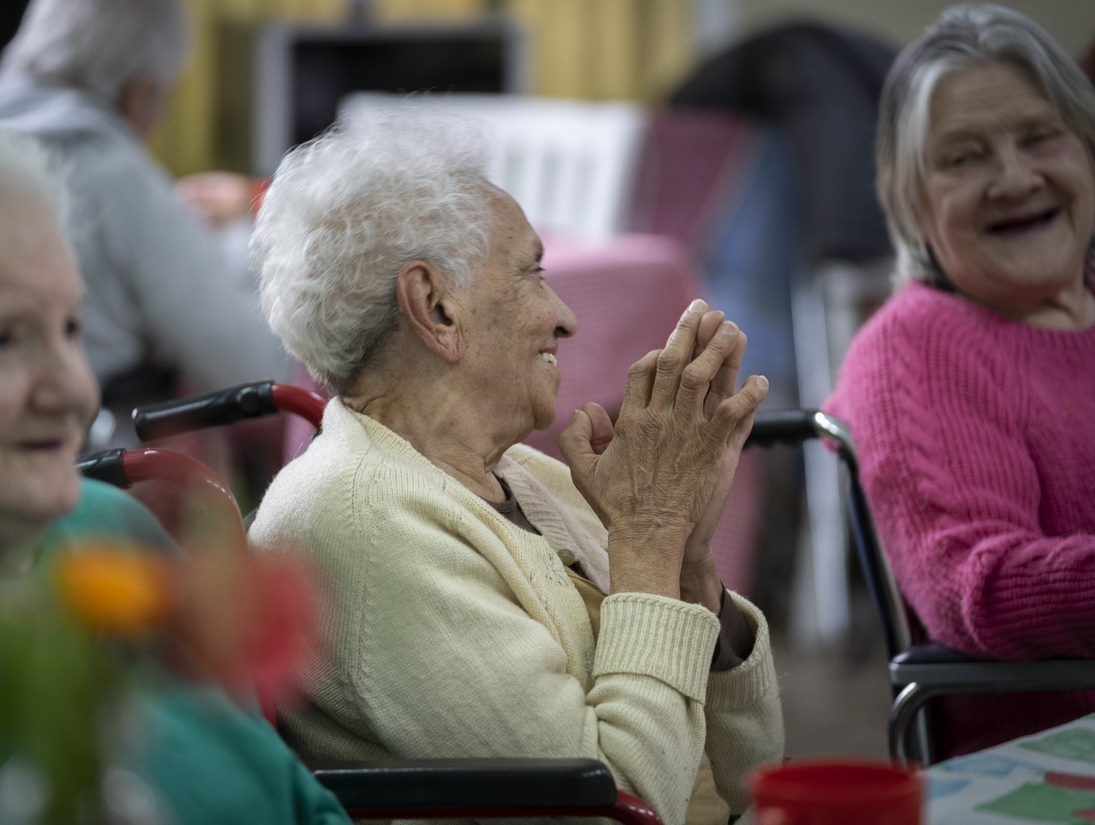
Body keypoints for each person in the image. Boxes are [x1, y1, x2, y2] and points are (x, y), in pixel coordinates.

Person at [247, 110, 784, 825]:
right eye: (532, 273)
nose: (565, 317)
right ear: (436, 308)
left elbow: (753, 774)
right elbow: (617, 805)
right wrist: (648, 536)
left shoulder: (524, 475)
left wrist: (685, 563)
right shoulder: (361, 522)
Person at [0, 120, 349, 825]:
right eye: (3, 339)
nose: (74, 390)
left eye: (70, 329)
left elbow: (295, 803)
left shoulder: (106, 527)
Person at [826, 3, 1095, 758]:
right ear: (911, 200)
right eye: (963, 158)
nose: (1014, 178)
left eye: (1039, 137)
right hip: (1052, 761)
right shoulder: (914, 348)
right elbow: (974, 585)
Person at [0, 0, 293, 400]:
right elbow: (254, 369)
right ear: (140, 94)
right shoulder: (112, 171)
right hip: (65, 439)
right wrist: (241, 240)